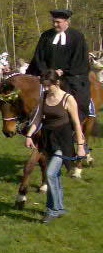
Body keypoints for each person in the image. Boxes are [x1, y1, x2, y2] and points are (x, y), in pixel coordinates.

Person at [24, 70, 86, 223]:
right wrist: (29, 135)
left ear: (56, 83)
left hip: (63, 141)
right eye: (43, 86)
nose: (45, 89)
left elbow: (77, 124)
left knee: (50, 174)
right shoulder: (44, 96)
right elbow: (38, 118)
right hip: (47, 140)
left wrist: (80, 146)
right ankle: (58, 207)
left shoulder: (67, 98)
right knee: (55, 176)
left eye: (47, 86)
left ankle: (52, 210)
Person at [27, 10, 91, 122]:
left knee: (79, 98)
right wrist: (46, 72)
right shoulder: (46, 36)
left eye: (58, 22)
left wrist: (62, 71)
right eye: (53, 22)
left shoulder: (77, 37)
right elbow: (39, 56)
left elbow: (79, 59)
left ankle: (77, 125)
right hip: (47, 75)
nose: (55, 24)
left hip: (69, 75)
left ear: (67, 22)